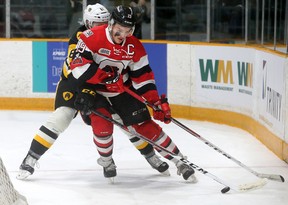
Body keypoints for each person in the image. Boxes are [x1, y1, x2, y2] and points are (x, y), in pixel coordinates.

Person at [17, 3, 169, 180]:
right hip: (74, 82)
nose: (102, 26)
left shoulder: (112, 36)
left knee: (126, 120)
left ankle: (150, 155)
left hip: (99, 85)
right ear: (88, 23)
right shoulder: (81, 37)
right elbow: (78, 70)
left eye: (105, 22)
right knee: (62, 117)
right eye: (98, 23)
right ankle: (30, 158)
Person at [70, 5, 196, 182]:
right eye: (119, 29)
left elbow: (143, 77)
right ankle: (106, 161)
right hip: (93, 91)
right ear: (111, 24)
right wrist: (102, 76)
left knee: (146, 125)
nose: (122, 35)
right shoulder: (91, 37)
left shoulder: (134, 46)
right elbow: (77, 67)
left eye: (127, 30)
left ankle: (180, 161)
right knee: (102, 125)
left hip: (121, 90)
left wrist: (155, 103)